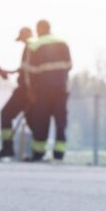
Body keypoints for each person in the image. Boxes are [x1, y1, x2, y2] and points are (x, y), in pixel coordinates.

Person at [24, 20, 73, 161]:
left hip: (43, 90)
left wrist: (30, 90)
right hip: (61, 89)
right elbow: (69, 65)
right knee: (60, 121)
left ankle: (38, 152)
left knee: (41, 121)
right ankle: (59, 153)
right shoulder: (63, 43)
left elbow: (30, 71)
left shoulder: (35, 45)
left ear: (39, 29)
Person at [0, 27, 34, 160]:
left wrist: (29, 90)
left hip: (25, 91)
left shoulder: (30, 48)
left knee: (6, 114)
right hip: (29, 90)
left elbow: (28, 72)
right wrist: (7, 72)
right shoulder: (31, 49)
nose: (22, 42)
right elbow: (23, 70)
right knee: (33, 120)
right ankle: (34, 151)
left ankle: (8, 147)